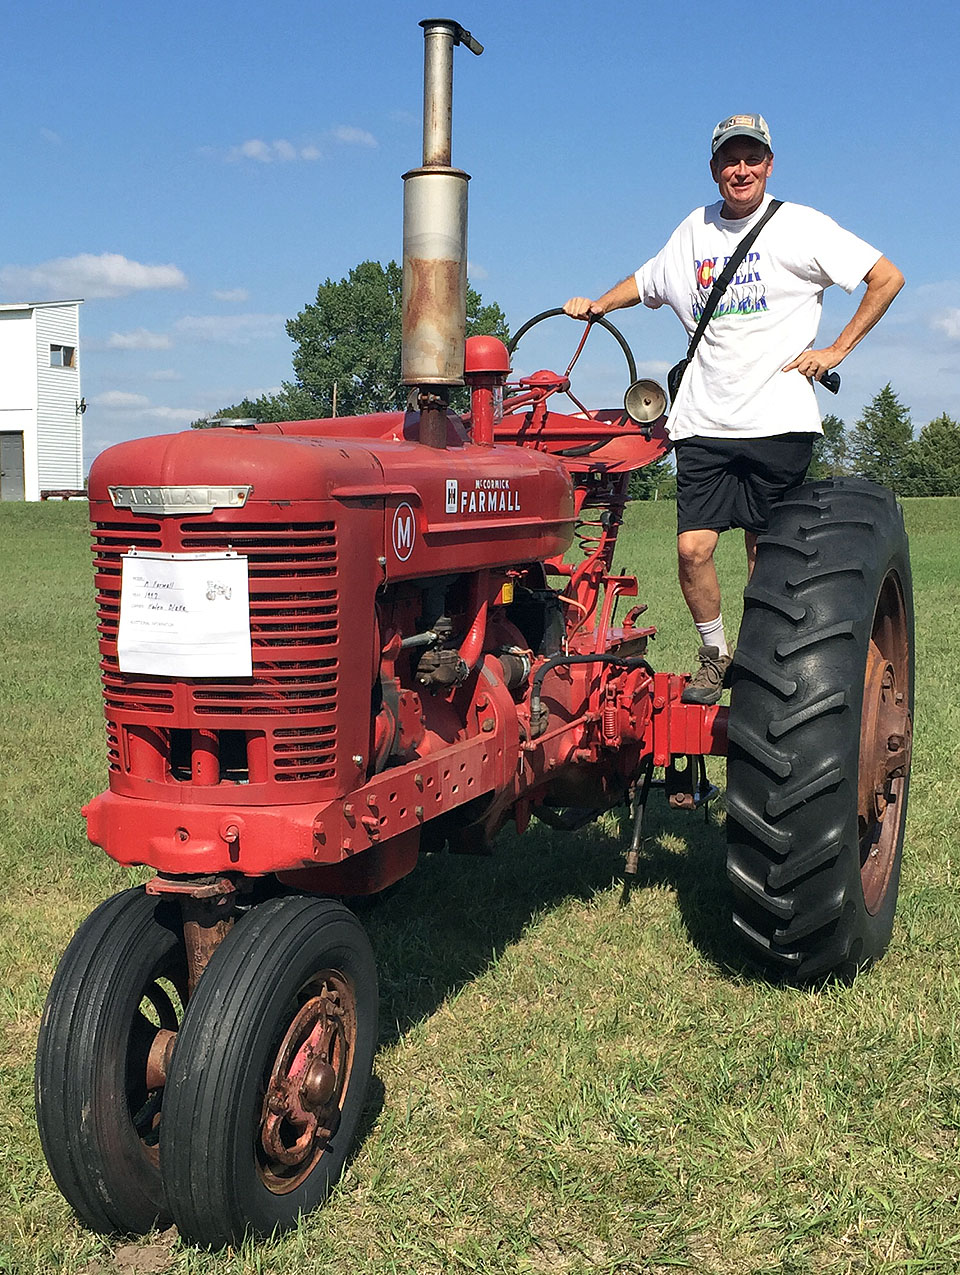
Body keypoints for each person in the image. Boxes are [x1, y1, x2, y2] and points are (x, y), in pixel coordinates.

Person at [564, 113, 904, 704]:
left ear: (769, 164)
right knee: (692, 549)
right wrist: (598, 305)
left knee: (764, 555)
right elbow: (646, 281)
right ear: (714, 167)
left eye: (752, 158)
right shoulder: (693, 230)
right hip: (702, 420)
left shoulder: (800, 226)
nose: (740, 169)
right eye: (729, 158)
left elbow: (885, 277)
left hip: (778, 420)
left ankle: (765, 659)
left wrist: (836, 350)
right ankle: (714, 651)